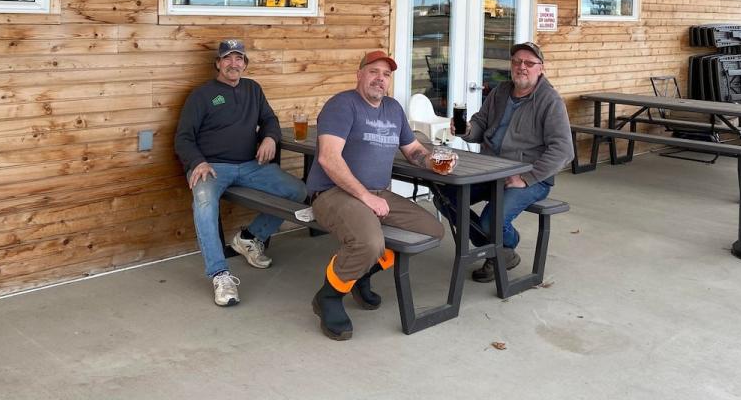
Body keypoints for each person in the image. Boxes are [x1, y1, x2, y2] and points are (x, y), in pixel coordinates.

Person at [305, 50, 451, 341]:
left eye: (386, 75)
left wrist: (431, 160)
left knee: (432, 230)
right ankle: (329, 296)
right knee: (370, 242)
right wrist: (365, 197)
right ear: (359, 74)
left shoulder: (393, 109)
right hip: (333, 193)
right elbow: (328, 159)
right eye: (373, 72)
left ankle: (360, 275)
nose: (380, 79)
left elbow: (413, 151)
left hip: (376, 193)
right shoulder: (342, 105)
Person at [175, 39, 306, 307]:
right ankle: (220, 274)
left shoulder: (253, 89)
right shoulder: (202, 95)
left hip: (250, 165)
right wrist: (197, 162)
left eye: (239, 59)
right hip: (212, 168)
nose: (233, 64)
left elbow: (270, 119)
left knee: (298, 190)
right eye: (228, 58)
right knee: (203, 203)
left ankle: (249, 238)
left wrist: (270, 137)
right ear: (218, 64)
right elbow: (183, 138)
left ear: (245, 64)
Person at [443, 41, 572, 282]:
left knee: (491, 221)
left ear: (540, 68)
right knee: (446, 197)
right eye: (517, 62)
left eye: (529, 63)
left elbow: (564, 150)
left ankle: (499, 247)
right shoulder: (500, 91)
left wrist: (526, 178)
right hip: (490, 169)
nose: (522, 67)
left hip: (530, 176)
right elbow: (481, 124)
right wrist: (467, 130)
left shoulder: (550, 101)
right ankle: (502, 250)